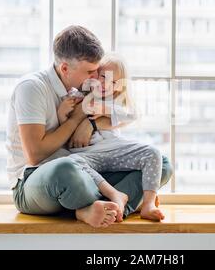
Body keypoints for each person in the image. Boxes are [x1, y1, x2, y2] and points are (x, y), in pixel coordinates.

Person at [6, 25, 173, 228]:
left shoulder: (81, 91)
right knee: (66, 167)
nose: (96, 78)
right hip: (37, 178)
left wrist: (90, 122)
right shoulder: (32, 87)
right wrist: (77, 118)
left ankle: (103, 208)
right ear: (65, 68)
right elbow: (36, 155)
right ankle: (106, 205)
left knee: (161, 164)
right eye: (91, 72)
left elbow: (126, 113)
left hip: (85, 170)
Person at [59, 56, 165, 222]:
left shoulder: (114, 101)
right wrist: (63, 110)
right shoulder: (80, 95)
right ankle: (116, 196)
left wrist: (104, 109)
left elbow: (133, 114)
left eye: (114, 82)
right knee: (70, 161)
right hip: (88, 154)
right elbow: (63, 124)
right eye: (103, 77)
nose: (106, 85)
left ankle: (148, 204)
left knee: (153, 153)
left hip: (114, 151)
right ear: (94, 73)